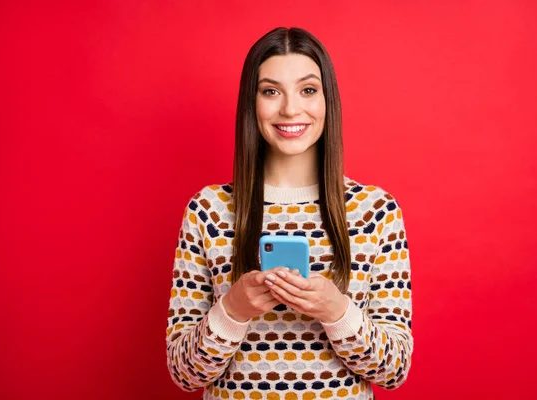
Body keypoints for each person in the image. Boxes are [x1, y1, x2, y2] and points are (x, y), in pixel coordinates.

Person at [166, 26, 413, 400]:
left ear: (327, 100)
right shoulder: (209, 210)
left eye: (308, 90)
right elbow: (184, 375)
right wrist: (232, 310)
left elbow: (394, 371)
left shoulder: (375, 210)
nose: (290, 109)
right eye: (270, 91)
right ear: (252, 103)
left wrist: (336, 311)